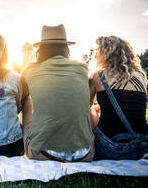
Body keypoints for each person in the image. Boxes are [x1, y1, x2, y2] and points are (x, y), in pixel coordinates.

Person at [22, 24, 96, 162]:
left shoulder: (30, 70)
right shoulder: (82, 69)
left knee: (25, 100)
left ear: (41, 49)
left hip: (42, 153)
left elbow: (18, 99)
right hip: (85, 154)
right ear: (66, 48)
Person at [89, 36, 148, 158]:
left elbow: (84, 107)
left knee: (89, 112)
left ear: (105, 53)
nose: (95, 55)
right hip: (141, 147)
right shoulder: (140, 77)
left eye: (97, 51)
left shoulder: (99, 76)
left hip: (111, 148)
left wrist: (93, 111)